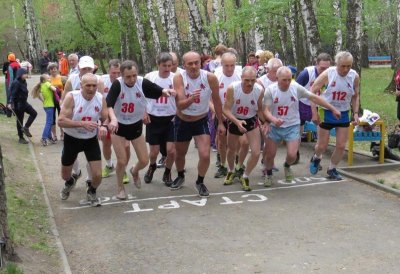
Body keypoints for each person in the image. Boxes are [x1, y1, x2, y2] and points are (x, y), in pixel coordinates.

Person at [107, 60, 175, 200]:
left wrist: (166, 91)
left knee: (144, 160)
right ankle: (120, 188)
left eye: (133, 75)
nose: (131, 79)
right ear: (122, 75)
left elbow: (158, 90)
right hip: (118, 126)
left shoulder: (141, 82)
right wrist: (113, 119)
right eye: (128, 77)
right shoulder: (117, 84)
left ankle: (134, 171)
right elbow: (108, 105)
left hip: (135, 124)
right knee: (121, 160)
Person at [263, 66, 341, 186]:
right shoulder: (270, 90)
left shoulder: (296, 88)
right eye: (284, 80)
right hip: (275, 126)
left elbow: (314, 97)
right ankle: (268, 174)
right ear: (277, 78)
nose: (288, 82)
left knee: (292, 155)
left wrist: (332, 108)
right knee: (270, 154)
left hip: (292, 125)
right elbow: (266, 110)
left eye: (290, 79)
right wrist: (273, 119)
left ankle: (287, 166)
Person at [171, 51, 226, 197]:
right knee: (180, 153)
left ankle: (200, 181)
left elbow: (217, 101)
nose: (194, 66)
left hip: (200, 120)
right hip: (182, 120)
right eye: (190, 64)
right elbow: (181, 105)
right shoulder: (179, 78)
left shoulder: (210, 77)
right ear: (184, 65)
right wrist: (191, 99)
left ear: (201, 63)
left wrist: (220, 122)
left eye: (197, 62)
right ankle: (181, 175)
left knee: (205, 154)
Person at [58, 73, 108, 206]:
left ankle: (92, 190)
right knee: (64, 174)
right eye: (88, 86)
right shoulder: (72, 97)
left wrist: (104, 126)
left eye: (94, 86)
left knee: (98, 175)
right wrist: (81, 123)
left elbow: (105, 117)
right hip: (72, 138)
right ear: (81, 85)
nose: (91, 89)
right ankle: (70, 182)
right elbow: (61, 121)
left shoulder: (100, 98)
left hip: (90, 139)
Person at [309, 51, 360, 180]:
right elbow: (312, 92)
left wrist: (355, 113)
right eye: (343, 66)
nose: (346, 69)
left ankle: (332, 169)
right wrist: (314, 112)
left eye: (349, 66)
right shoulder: (328, 74)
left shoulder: (354, 76)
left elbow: (355, 96)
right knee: (322, 145)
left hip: (343, 112)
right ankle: (316, 157)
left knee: (341, 145)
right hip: (326, 111)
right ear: (336, 64)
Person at [223, 66, 265, 191]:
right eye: (247, 80)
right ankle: (231, 170)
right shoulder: (233, 88)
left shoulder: (259, 90)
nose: (250, 83)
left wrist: (266, 122)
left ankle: (245, 175)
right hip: (235, 118)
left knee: (256, 152)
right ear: (241, 78)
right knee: (231, 149)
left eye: (253, 80)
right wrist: (236, 122)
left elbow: (260, 109)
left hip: (251, 119)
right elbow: (226, 109)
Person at [143, 52, 176, 186]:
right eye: (164, 66)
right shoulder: (150, 77)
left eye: (169, 65)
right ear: (158, 65)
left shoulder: (176, 78)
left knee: (171, 150)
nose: (167, 68)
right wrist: (144, 112)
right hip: (153, 117)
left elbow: (181, 97)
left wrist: (178, 114)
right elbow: (141, 96)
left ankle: (167, 172)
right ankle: (152, 166)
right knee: (154, 151)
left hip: (171, 118)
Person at [296, 53, 332, 163]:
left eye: (327, 68)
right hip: (302, 103)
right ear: (316, 64)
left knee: (322, 131)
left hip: (319, 105)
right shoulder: (306, 73)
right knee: (299, 130)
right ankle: (295, 153)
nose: (324, 71)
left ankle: (317, 157)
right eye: (322, 68)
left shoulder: (331, 74)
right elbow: (294, 89)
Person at [100, 59, 130, 184]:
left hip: (123, 118)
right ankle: (109, 165)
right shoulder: (101, 81)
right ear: (108, 71)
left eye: (119, 73)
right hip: (106, 118)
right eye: (114, 73)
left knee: (126, 146)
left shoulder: (126, 81)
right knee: (106, 144)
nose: (117, 76)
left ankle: (122, 169)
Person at [213, 52, 242, 178]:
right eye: (226, 66)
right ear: (221, 65)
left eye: (232, 65)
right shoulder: (216, 76)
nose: (230, 69)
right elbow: (210, 99)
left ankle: (237, 163)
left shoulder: (241, 74)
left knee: (239, 142)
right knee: (222, 141)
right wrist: (217, 112)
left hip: (236, 114)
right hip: (220, 114)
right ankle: (223, 165)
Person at [8, 68, 37, 144]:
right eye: (25, 73)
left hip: (24, 103)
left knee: (34, 113)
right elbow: (12, 94)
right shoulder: (16, 83)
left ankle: (26, 127)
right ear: (20, 74)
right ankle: (21, 138)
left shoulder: (24, 81)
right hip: (18, 105)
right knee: (19, 120)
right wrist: (10, 103)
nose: (26, 75)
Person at [31, 74, 58, 146]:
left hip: (46, 106)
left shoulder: (42, 85)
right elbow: (54, 89)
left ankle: (49, 137)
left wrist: (43, 100)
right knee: (49, 123)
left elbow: (38, 95)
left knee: (50, 122)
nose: (50, 79)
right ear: (44, 80)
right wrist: (55, 87)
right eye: (48, 78)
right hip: (50, 106)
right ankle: (44, 138)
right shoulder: (47, 83)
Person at [48, 62, 65, 141]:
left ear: (57, 69)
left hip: (61, 100)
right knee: (52, 118)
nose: (53, 70)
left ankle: (62, 133)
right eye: (51, 69)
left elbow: (66, 89)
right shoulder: (47, 79)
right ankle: (54, 135)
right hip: (51, 100)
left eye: (55, 68)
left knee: (61, 118)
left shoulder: (62, 78)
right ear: (49, 70)